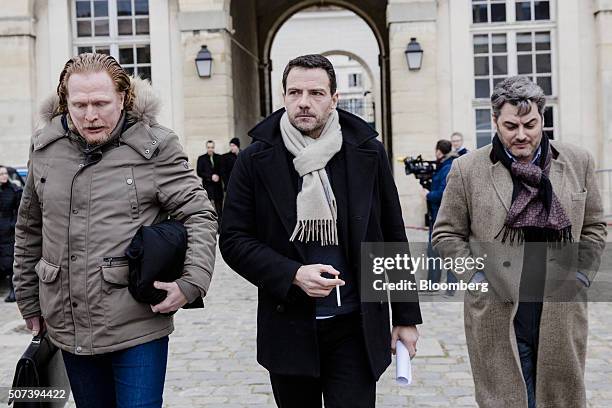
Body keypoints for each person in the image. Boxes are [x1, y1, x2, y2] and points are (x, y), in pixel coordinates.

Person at [12, 53, 218, 408]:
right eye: (79, 105)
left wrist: (192, 282)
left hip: (137, 320)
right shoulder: (45, 148)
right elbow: (30, 227)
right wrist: (28, 299)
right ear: (65, 102)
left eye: (101, 103)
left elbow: (199, 212)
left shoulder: (156, 147)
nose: (90, 115)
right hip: (67, 320)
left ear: (123, 98)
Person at [220, 54, 422, 408]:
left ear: (334, 99)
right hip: (289, 326)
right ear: (282, 96)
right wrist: (292, 274)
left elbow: (391, 236)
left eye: (315, 92)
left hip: (355, 328)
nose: (304, 102)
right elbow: (234, 239)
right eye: (294, 92)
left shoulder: (368, 152)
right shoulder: (255, 159)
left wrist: (405, 317)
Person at [432, 76, 607, 408]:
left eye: (530, 124)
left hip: (561, 309)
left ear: (543, 119)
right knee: (508, 400)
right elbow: (446, 234)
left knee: (561, 399)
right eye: (511, 125)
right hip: (498, 312)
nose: (521, 134)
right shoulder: (467, 169)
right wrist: (477, 281)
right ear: (495, 121)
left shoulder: (578, 162)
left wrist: (581, 275)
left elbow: (595, 227)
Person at [424, 140, 457, 295]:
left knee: (445, 251)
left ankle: (451, 287)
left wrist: (428, 195)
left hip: (442, 216)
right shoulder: (444, 166)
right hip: (436, 215)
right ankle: (432, 284)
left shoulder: (447, 167)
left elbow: (444, 193)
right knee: (433, 252)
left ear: (439, 151)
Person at [0, 166, 21, 302]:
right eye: (1, 174)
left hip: (8, 231)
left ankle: (13, 291)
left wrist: (12, 224)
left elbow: (20, 211)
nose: (4, 176)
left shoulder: (14, 190)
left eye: (5, 173)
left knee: (9, 262)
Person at [197, 140, 224, 223]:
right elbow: (199, 172)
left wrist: (218, 176)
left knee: (219, 210)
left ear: (214, 148)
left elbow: (223, 170)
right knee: (207, 210)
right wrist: (210, 176)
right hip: (207, 187)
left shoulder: (219, 157)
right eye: (209, 147)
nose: (210, 149)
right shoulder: (201, 158)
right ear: (206, 148)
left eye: (212, 147)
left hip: (218, 187)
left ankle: (220, 230)